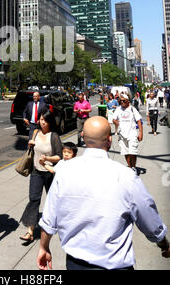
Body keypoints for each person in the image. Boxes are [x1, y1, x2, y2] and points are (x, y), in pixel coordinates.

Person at [37, 116, 170, 271]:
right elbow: (148, 218)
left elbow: (49, 216)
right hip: (115, 264)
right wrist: (163, 244)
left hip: (75, 264)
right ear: (109, 140)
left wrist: (43, 247)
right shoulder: (126, 176)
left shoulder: (64, 171)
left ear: (82, 137)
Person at [19, 110, 62, 243]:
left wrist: (47, 158)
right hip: (36, 171)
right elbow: (31, 148)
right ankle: (30, 231)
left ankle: (57, 223)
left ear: (49, 122)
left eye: (45, 120)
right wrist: (30, 145)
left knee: (52, 200)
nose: (41, 122)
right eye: (40, 119)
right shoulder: (35, 132)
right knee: (33, 200)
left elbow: (59, 156)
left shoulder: (53, 136)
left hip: (50, 172)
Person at [113, 94, 143, 172]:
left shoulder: (132, 109)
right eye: (120, 101)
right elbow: (114, 119)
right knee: (125, 152)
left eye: (124, 101)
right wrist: (116, 122)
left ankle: (134, 167)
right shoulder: (118, 109)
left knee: (133, 151)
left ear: (128, 101)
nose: (122, 102)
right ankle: (130, 167)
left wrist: (140, 133)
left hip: (132, 133)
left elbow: (139, 121)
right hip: (122, 134)